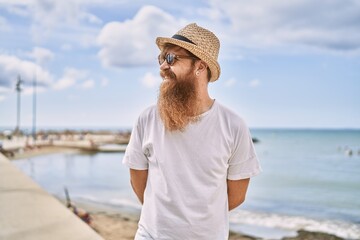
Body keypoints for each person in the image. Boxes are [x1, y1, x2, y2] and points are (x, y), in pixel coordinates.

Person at [123, 23, 261, 240]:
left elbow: (236, 196)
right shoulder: (147, 119)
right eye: (161, 59)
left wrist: (198, 221)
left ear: (200, 66)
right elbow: (137, 180)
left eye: (171, 59)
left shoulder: (233, 125)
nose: (162, 67)